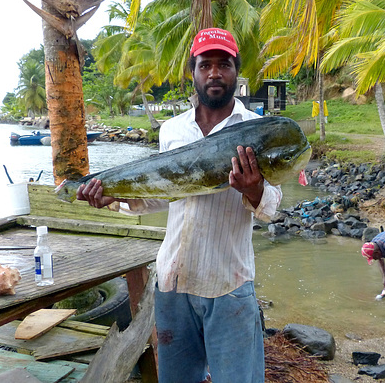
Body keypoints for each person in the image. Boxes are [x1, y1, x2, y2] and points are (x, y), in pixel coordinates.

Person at [76, 27, 282, 383]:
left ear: (236, 72)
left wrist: (254, 188)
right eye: (205, 65)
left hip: (228, 285)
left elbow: (271, 207)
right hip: (172, 282)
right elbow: (164, 192)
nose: (214, 73)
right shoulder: (172, 130)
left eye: (224, 64)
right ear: (193, 72)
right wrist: (115, 196)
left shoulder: (256, 130)